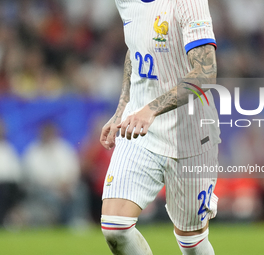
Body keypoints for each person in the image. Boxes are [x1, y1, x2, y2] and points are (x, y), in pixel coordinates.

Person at [100, 0, 221, 254]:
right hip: (141, 131)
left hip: (191, 135)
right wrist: (121, 110)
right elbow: (135, 48)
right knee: (115, 227)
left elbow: (206, 73)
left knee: (192, 243)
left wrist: (152, 109)